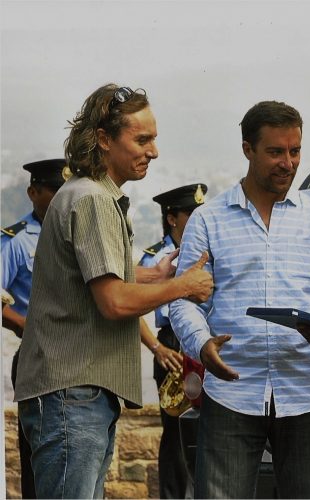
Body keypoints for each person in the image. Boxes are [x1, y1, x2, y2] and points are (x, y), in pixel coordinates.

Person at [13, 83, 214, 499]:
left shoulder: (86, 193)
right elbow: (114, 301)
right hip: (73, 395)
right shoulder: (93, 200)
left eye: (153, 139)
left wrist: (156, 275)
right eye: (142, 140)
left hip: (75, 394)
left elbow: (91, 276)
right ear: (104, 139)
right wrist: (181, 286)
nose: (153, 151)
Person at [169, 100, 310, 499]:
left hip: (307, 391)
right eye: (275, 152)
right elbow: (185, 300)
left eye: (295, 151)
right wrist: (201, 344)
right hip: (231, 391)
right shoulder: (208, 220)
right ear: (247, 149)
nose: (288, 163)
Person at [1, 158, 69, 499]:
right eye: (54, 191)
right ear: (33, 192)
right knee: (37, 453)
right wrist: (22, 324)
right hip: (36, 356)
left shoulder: (76, 233)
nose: (60, 199)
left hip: (77, 357)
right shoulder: (16, 241)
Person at [139, 182, 209, 499]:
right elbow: (131, 308)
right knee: (176, 434)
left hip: (205, 341)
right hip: (173, 345)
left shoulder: (210, 251)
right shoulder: (155, 260)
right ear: (172, 218)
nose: (198, 218)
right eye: (190, 213)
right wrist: (157, 348)